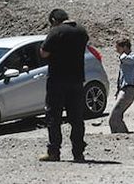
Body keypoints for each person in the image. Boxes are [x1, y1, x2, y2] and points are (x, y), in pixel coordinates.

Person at [39, 8, 89, 163]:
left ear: (54, 20)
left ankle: (54, 152)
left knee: (54, 117)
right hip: (77, 80)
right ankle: (78, 153)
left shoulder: (56, 32)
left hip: (57, 80)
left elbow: (44, 53)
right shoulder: (81, 31)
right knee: (77, 118)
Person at [109, 39, 134, 134]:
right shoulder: (124, 58)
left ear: (125, 47)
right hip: (123, 90)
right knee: (116, 116)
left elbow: (126, 59)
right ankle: (123, 134)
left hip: (128, 90)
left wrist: (123, 53)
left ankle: (122, 135)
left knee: (114, 117)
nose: (117, 50)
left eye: (118, 48)